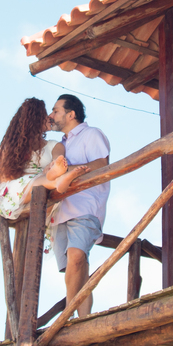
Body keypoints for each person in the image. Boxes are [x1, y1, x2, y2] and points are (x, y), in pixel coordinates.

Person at [47, 94, 110, 319]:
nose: (51, 115)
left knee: (76, 257)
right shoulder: (59, 145)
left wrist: (69, 170)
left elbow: (101, 164)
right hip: (61, 211)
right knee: (76, 267)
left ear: (71, 114)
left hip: (85, 206)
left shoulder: (91, 134)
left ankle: (66, 318)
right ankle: (83, 320)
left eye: (55, 111)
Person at [0, 98, 91, 222]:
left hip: (44, 195)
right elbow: (6, 178)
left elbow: (59, 159)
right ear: (34, 120)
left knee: (51, 175)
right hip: (15, 195)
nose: (49, 117)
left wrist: (54, 165)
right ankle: (56, 181)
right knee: (37, 181)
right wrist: (40, 176)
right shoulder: (13, 147)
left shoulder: (55, 145)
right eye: (44, 115)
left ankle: (55, 178)